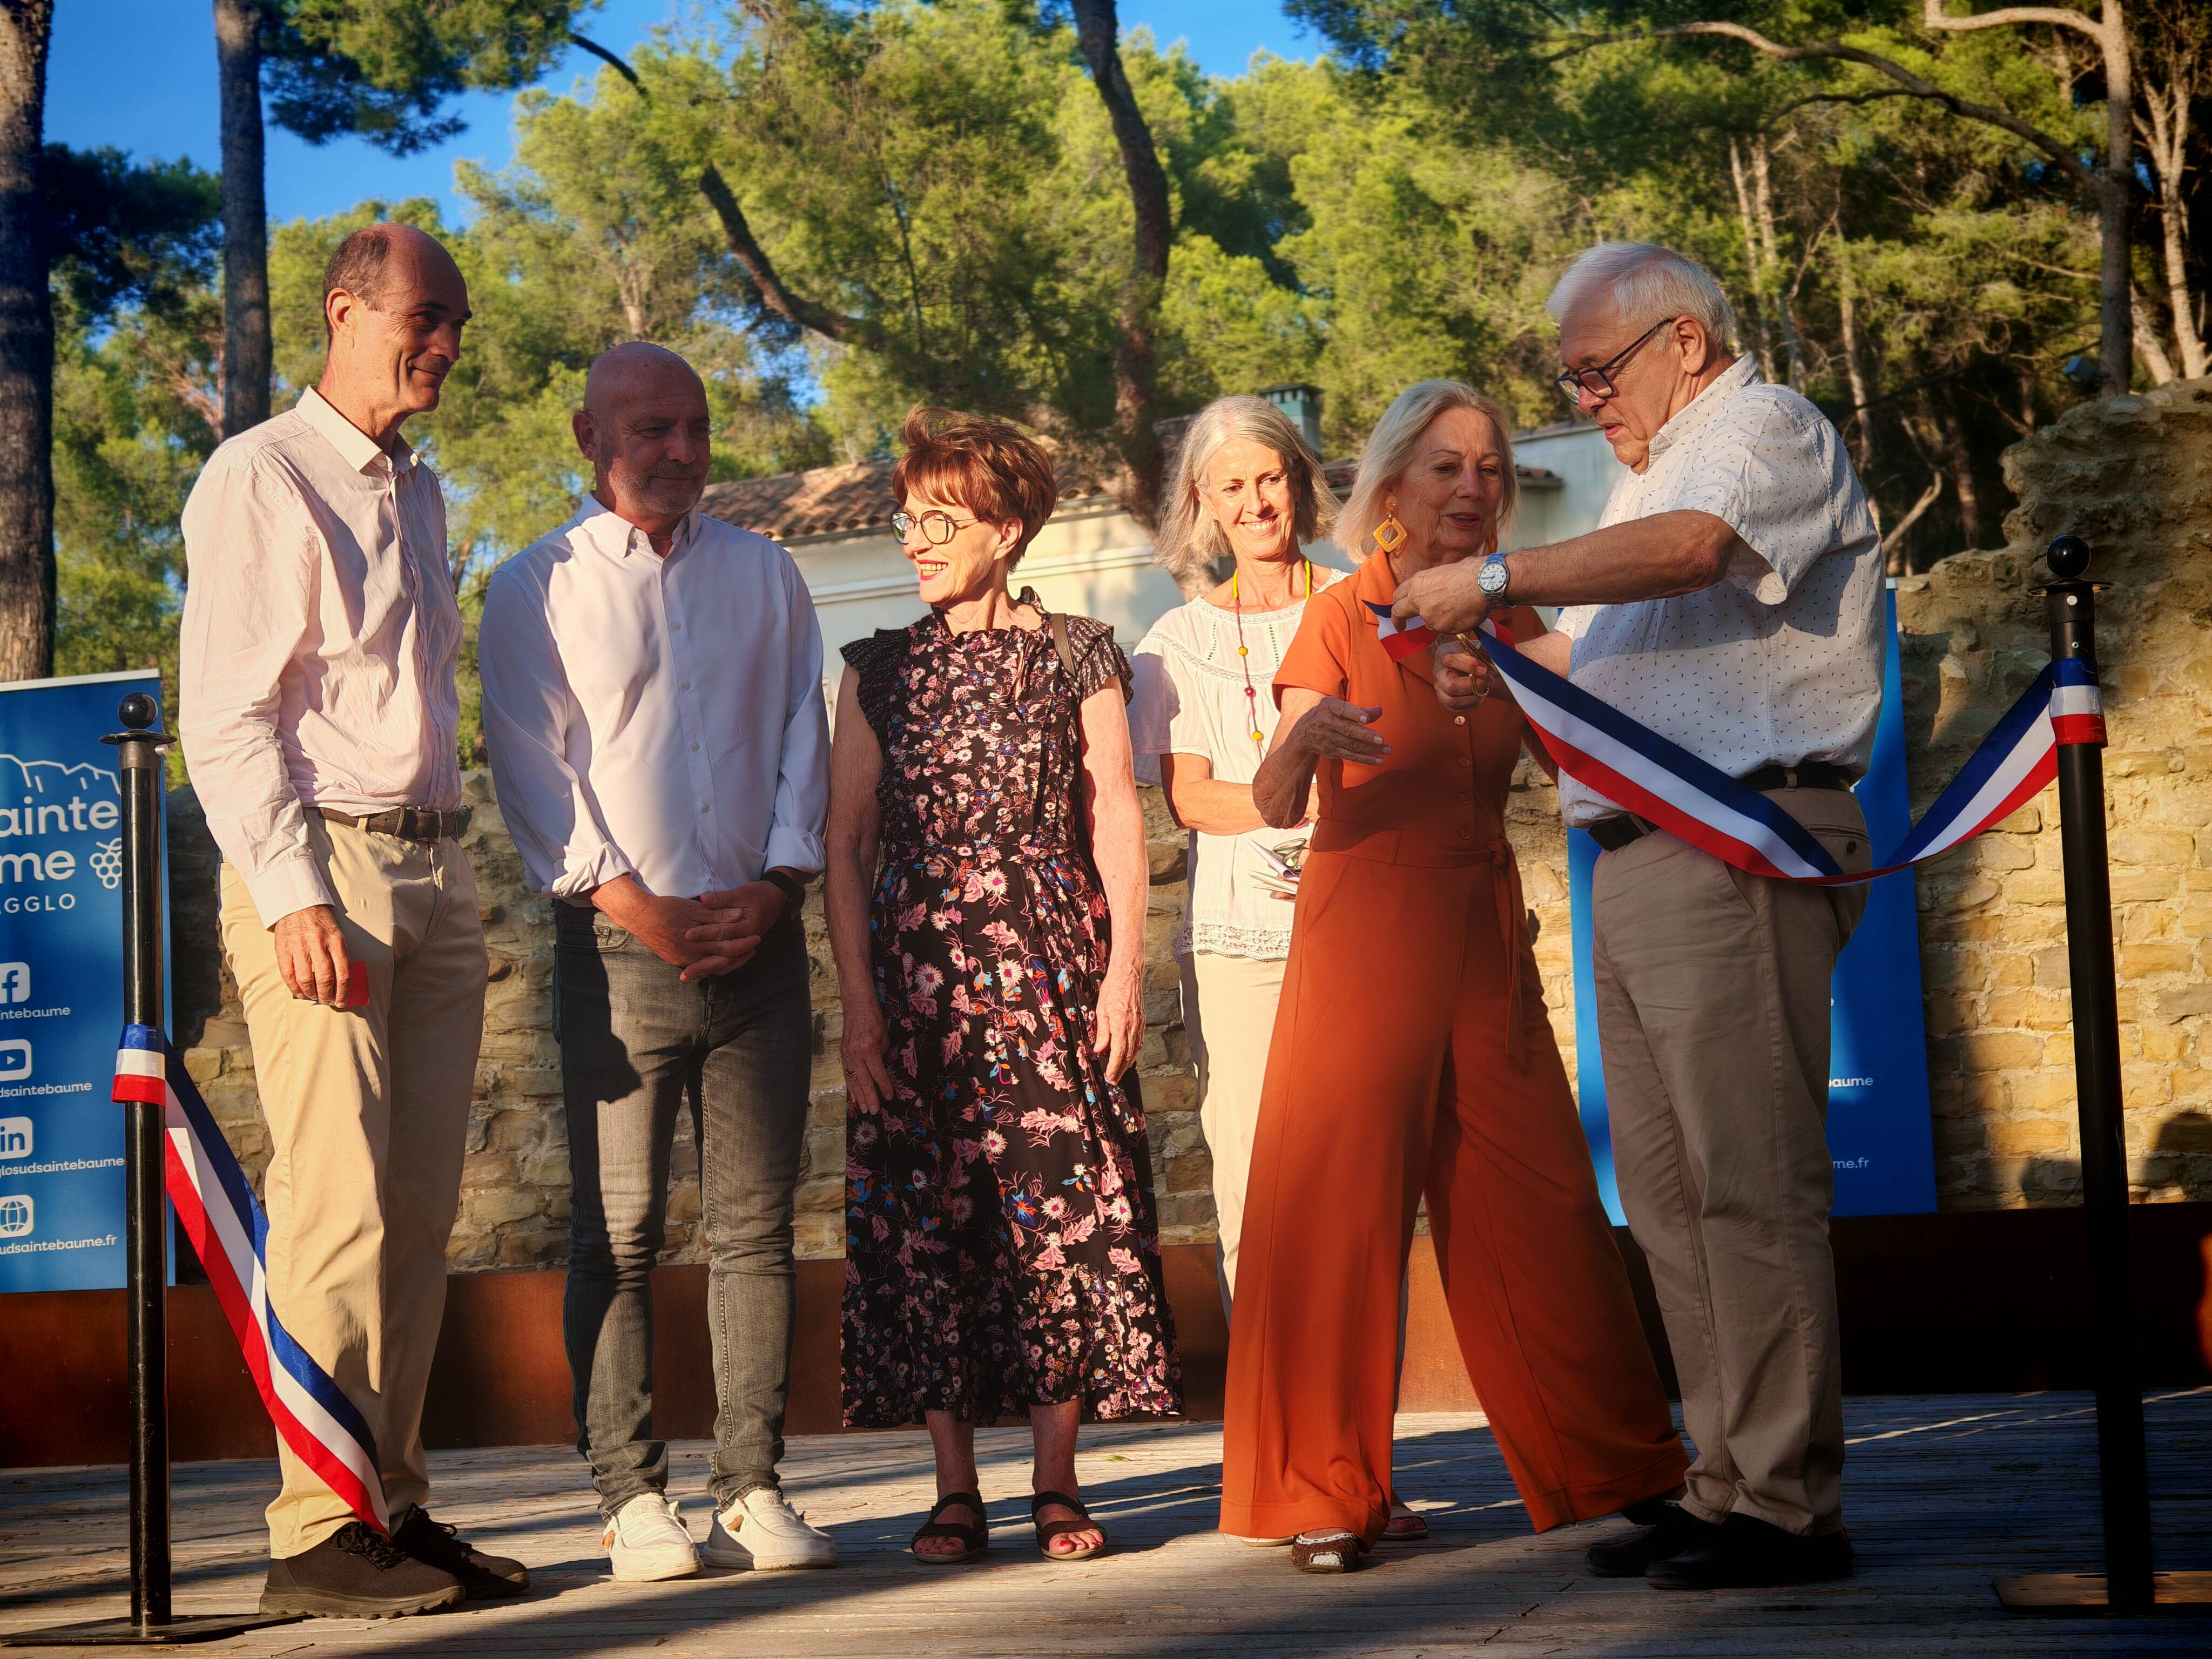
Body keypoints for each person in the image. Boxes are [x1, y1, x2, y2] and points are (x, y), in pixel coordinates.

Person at [1396, 242, 1881, 1589]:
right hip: (1650, 853)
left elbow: (1691, 551)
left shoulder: (1756, 427)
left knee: (1745, 1185)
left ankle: (1788, 1506)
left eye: (1594, 369)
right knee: (1669, 1198)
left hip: (1733, 841)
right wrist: (1494, 649)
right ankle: (1724, 1478)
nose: (1583, 396)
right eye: (1568, 376)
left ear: (1681, 337)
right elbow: (1620, 662)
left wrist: (1491, 583)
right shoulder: (1649, 467)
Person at [1218, 380, 1688, 1576]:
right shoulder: (1340, 615)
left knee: (1536, 1195)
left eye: (1488, 469)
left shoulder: (1508, 619)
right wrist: (1304, 746)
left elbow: (1601, 745)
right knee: (1336, 1205)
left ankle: (1616, 1465)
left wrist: (1518, 686)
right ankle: (1319, 1495)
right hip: (1364, 923)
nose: (1473, 489)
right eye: (1445, 468)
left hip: (1482, 925)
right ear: (1388, 491)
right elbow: (1270, 806)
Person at [179, 222, 526, 1618]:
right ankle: (312, 1531)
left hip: (433, 873)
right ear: (346, 313)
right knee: (334, 1209)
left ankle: (391, 1505)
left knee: (414, 1217)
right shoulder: (258, 476)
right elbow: (227, 714)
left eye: (455, 323)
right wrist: (291, 893)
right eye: (426, 319)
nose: (446, 343)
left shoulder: (420, 493)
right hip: (327, 867)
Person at [478, 343, 837, 1582]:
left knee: (751, 1232)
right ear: (589, 436)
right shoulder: (533, 589)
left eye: (695, 426)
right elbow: (536, 773)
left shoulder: (769, 574)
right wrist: (646, 914)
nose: (682, 451)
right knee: (617, 1236)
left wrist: (774, 886)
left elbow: (805, 732)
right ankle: (630, 1498)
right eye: (651, 429)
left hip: (758, 944)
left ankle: (752, 1488)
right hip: (618, 958)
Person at [826, 408, 1181, 1566]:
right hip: (916, 986)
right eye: (908, 519)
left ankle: (1056, 1484)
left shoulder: (1078, 652)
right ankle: (950, 1488)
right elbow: (843, 844)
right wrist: (861, 1012)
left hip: (1048, 968)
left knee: (1059, 1216)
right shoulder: (876, 670)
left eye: (942, 519)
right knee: (928, 1223)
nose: (915, 540)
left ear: (1008, 526)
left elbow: (1116, 815)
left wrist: (1124, 970)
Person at [1128, 395, 1343, 1314]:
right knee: (1251, 1177)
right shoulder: (1175, 642)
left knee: (1354, 1173)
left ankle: (1356, 1414)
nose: (1255, 503)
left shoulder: (1357, 603)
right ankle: (1269, 1414)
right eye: (1232, 486)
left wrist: (1259, 800)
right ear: (1202, 503)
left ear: (1298, 481)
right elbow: (1188, 799)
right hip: (1235, 943)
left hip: (1356, 922)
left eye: (1270, 478)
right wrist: (1296, 796)